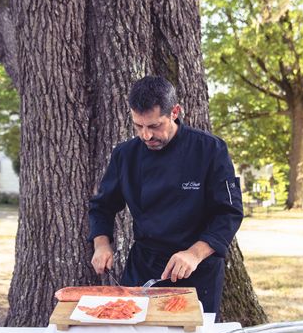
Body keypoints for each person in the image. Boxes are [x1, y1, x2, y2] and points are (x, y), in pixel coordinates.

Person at [88, 76, 243, 314]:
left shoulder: (210, 150)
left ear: (175, 112)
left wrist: (194, 254)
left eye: (154, 126)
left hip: (197, 271)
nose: (146, 136)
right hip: (144, 267)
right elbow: (102, 206)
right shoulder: (125, 155)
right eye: (138, 126)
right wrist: (101, 244)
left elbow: (229, 213)